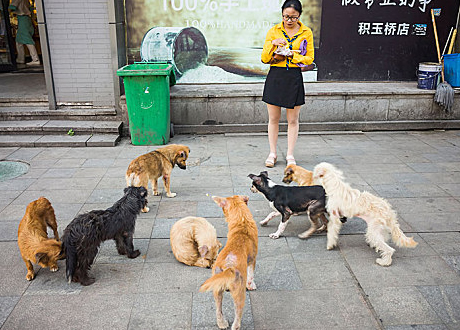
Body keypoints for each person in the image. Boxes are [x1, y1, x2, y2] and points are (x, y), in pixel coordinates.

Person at [261, 0, 314, 167]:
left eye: (293, 17)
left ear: (299, 15)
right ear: (282, 14)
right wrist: (272, 45)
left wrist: (292, 56)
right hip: (276, 76)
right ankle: (272, 153)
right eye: (286, 17)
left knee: (293, 119)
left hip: (294, 76)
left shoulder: (306, 32)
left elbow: (309, 58)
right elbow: (264, 59)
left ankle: (290, 155)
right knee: (273, 118)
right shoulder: (274, 31)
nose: (289, 20)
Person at [9, 0, 40, 66]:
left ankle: (35, 59)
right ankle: (20, 58)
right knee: (18, 40)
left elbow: (12, 7)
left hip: (23, 19)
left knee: (27, 39)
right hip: (25, 19)